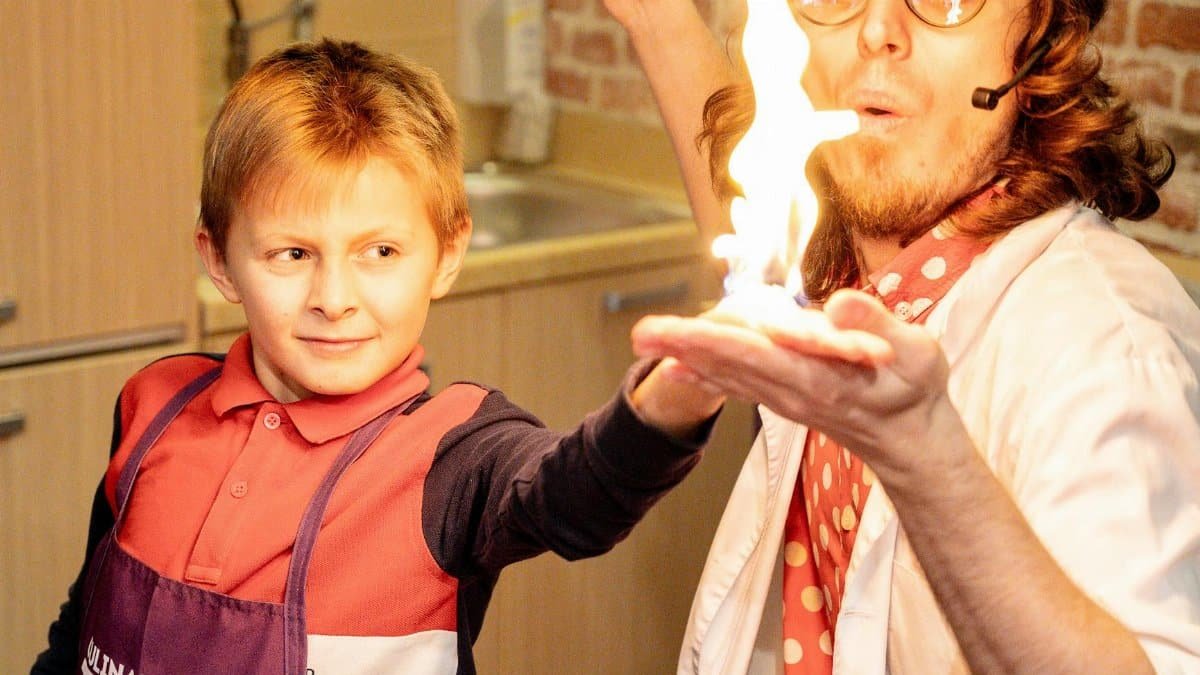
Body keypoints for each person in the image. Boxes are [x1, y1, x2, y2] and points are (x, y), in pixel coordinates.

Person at [31, 38, 725, 675]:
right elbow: (78, 634)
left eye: (381, 252)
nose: (334, 298)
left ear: (446, 255)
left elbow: (577, 496)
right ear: (219, 260)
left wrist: (671, 403)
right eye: (293, 253)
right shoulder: (154, 404)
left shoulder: (455, 456)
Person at [607, 0, 1200, 672]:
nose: (877, 31)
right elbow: (746, 233)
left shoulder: (1105, 349)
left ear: (1039, 36)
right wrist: (659, 21)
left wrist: (921, 452)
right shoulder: (852, 270)